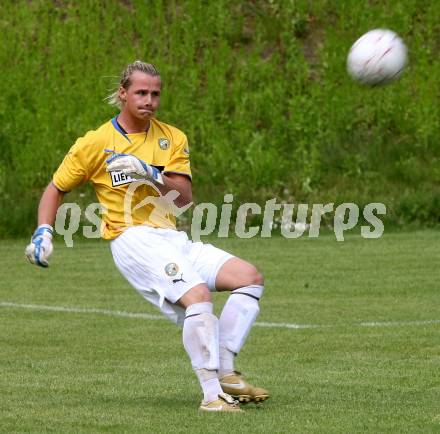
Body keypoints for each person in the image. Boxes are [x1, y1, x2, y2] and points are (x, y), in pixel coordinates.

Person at [25, 61, 269, 412]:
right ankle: (212, 396)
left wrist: (149, 172)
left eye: (155, 93)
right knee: (197, 296)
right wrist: (44, 230)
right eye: (141, 92)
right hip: (132, 239)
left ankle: (227, 372)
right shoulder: (95, 143)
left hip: (170, 237)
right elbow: (55, 188)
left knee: (249, 277)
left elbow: (183, 199)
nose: (149, 100)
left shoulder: (172, 137)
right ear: (123, 93)